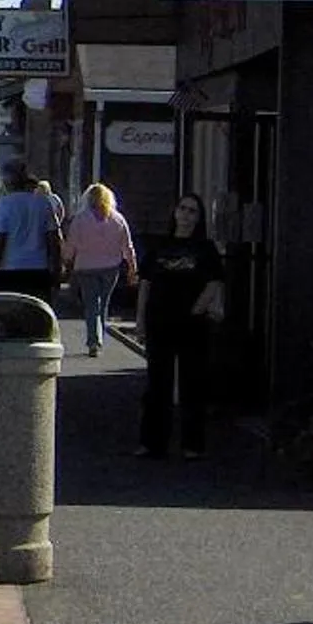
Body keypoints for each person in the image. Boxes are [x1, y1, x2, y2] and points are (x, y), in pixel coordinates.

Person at [134, 193, 227, 458]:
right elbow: (145, 283)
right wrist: (140, 319)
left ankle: (192, 445)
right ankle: (151, 442)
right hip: (159, 320)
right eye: (182, 209)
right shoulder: (159, 246)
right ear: (174, 213)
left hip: (191, 324)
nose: (186, 215)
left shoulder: (205, 249)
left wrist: (197, 309)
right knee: (156, 383)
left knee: (192, 382)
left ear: (198, 218)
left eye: (192, 212)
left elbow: (215, 281)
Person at [63, 182, 138, 357]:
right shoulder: (117, 219)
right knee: (103, 304)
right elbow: (127, 246)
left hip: (86, 267)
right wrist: (132, 267)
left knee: (91, 305)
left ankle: (93, 341)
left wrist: (66, 261)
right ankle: (99, 337)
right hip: (111, 268)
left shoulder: (80, 219)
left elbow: (71, 244)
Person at [0, 163, 60, 300]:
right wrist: (56, 274)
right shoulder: (43, 203)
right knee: (37, 316)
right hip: (39, 270)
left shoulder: (4, 204)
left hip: (10, 270)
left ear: (6, 182)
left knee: (10, 317)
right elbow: (54, 240)